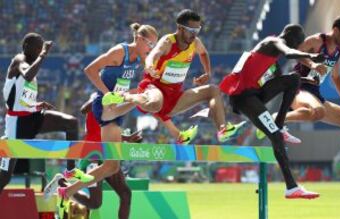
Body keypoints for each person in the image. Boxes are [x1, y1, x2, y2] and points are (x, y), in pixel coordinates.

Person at [56, 23, 159, 213]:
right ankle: (68, 188)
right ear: (138, 39)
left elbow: (143, 75)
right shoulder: (120, 52)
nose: (152, 49)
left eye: (155, 45)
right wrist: (106, 94)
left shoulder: (139, 58)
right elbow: (89, 70)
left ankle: (66, 191)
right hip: (105, 106)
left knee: (112, 166)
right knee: (103, 193)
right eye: (150, 44)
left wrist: (140, 87)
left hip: (116, 106)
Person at [108, 9, 246, 143]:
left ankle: (223, 131)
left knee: (213, 90)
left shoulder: (195, 43)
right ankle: (123, 96)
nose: (194, 35)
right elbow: (153, 54)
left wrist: (207, 72)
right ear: (180, 28)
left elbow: (203, 53)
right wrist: (150, 66)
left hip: (175, 97)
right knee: (155, 104)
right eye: (191, 31)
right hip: (153, 89)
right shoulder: (168, 42)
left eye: (197, 30)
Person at [219, 24, 324, 199]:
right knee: (274, 136)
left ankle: (279, 125)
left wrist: (304, 80)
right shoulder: (273, 41)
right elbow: (290, 54)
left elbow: (281, 80)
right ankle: (291, 187)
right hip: (243, 96)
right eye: (297, 43)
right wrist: (311, 56)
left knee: (294, 78)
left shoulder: (272, 59)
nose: (296, 47)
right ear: (289, 36)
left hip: (255, 93)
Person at [0, 33, 92, 195]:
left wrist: (36, 106)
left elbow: (21, 99)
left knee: (71, 123)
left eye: (41, 47)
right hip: (16, 123)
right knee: (5, 177)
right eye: (37, 47)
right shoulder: (19, 60)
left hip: (32, 117)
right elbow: (27, 76)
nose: (39, 50)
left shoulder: (33, 65)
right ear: (26, 46)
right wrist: (44, 54)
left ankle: (70, 170)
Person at [283, 15, 340, 187]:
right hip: (298, 88)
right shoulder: (317, 41)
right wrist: (312, 64)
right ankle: (277, 119)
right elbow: (295, 54)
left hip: (315, 94)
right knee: (319, 112)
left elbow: (336, 77)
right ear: (336, 30)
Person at [45, 93, 142, 219]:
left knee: (125, 194)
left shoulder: (118, 99)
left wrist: (126, 138)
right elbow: (84, 109)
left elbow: (106, 131)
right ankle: (61, 183)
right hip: (93, 155)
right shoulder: (98, 95)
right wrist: (102, 98)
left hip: (108, 153)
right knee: (95, 203)